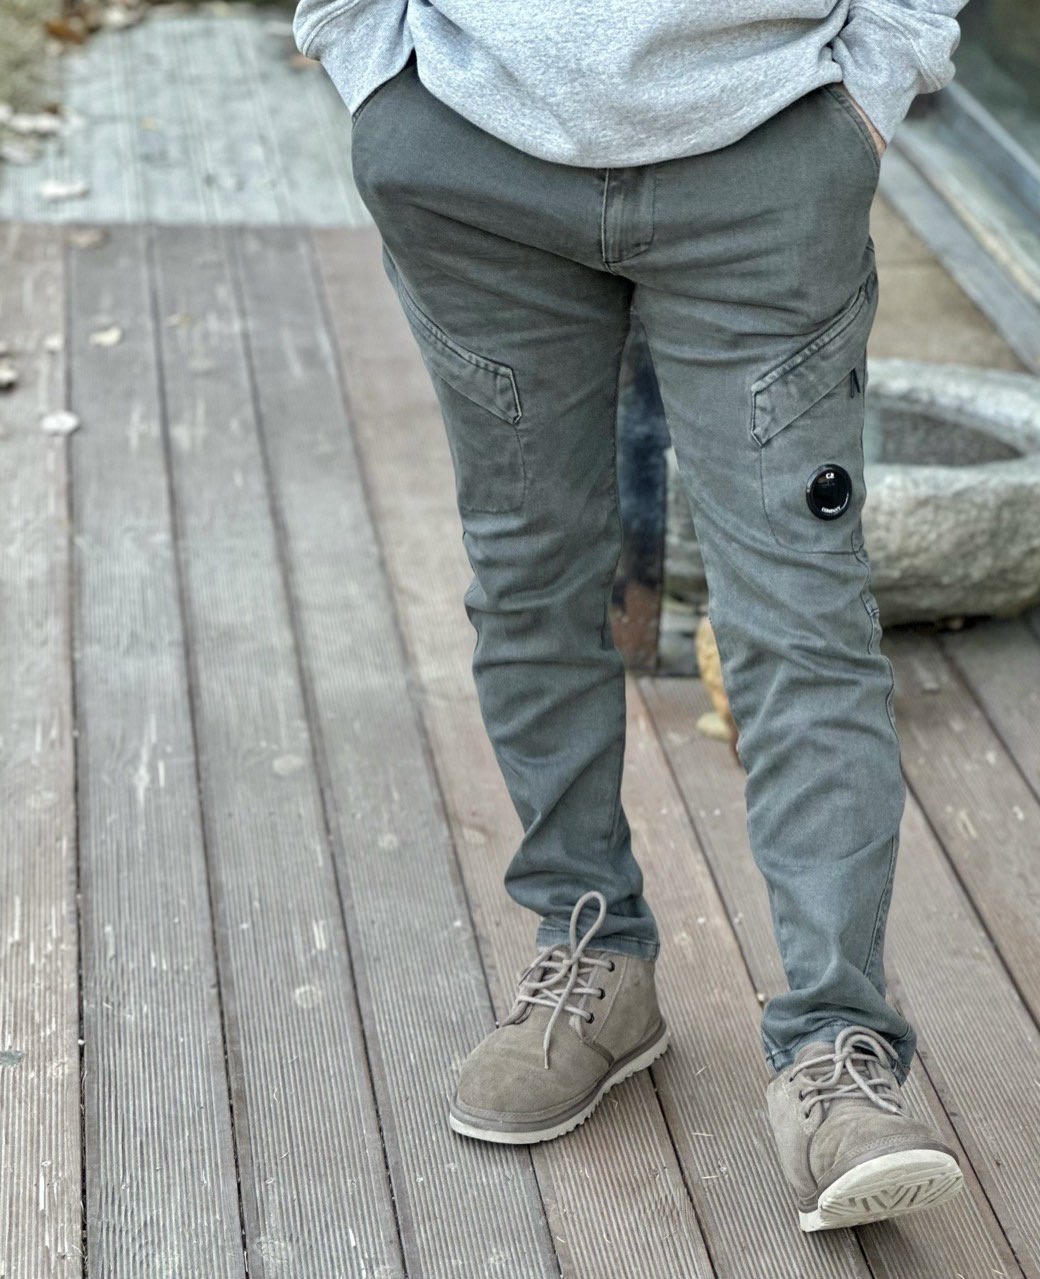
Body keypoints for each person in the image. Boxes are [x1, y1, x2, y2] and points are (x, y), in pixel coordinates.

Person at [295, 0, 968, 1233]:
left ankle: (836, 1049)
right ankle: (592, 951)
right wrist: (363, 61)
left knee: (801, 616)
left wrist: (875, 79)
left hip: (765, 149)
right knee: (529, 581)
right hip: (469, 150)